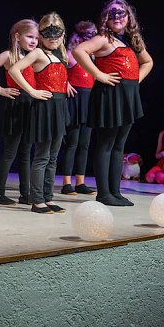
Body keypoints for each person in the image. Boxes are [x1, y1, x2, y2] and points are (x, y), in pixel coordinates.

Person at [73, 0, 153, 207]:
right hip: (109, 95)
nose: (117, 18)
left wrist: (135, 80)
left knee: (119, 146)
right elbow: (78, 51)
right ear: (105, 18)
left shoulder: (131, 41)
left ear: (129, 17)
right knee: (106, 144)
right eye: (112, 14)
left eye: (121, 14)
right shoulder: (103, 39)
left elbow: (148, 61)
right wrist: (98, 74)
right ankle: (104, 193)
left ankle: (115, 192)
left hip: (127, 96)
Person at [8, 13, 69, 213]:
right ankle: (37, 200)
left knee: (53, 157)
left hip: (59, 107)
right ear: (41, 35)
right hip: (45, 108)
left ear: (63, 35)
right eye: (48, 34)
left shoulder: (61, 55)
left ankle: (48, 197)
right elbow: (14, 70)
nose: (53, 38)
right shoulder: (38, 54)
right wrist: (32, 91)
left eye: (57, 34)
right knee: (43, 156)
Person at [0, 19, 39, 206]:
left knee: (26, 152)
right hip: (16, 105)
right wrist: (0, 89)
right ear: (17, 36)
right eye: (30, 36)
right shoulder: (8, 55)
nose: (34, 41)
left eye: (36, 38)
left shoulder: (33, 57)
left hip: (30, 105)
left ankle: (25, 193)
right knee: (10, 151)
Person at [60, 21, 97, 196]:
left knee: (84, 144)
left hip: (89, 101)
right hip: (75, 100)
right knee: (72, 143)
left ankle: (80, 182)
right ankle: (66, 182)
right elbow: (57, 71)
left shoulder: (93, 57)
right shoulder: (70, 54)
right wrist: (65, 83)